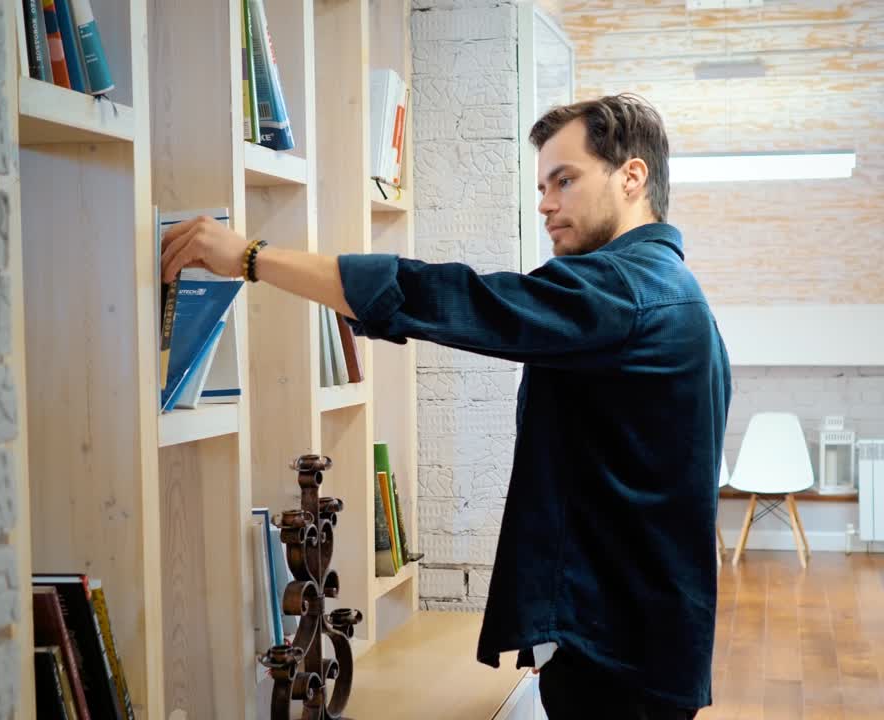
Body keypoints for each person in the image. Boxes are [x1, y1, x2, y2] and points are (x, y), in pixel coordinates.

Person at [160, 93, 731, 719]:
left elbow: (454, 300)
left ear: (632, 175)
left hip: (618, 657)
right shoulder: (677, 294)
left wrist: (251, 259)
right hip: (645, 642)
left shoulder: (626, 289)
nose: (545, 203)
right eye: (543, 185)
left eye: (564, 180)